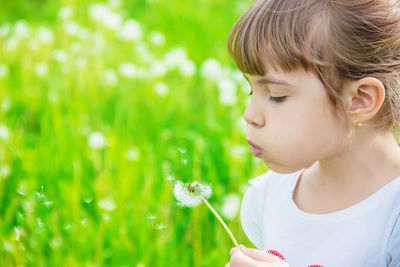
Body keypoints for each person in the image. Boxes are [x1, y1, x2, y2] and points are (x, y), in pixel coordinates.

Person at [225, 0, 400, 266]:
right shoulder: (268, 198)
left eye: (276, 96)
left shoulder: (392, 213)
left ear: (359, 100)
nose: (250, 115)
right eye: (252, 91)